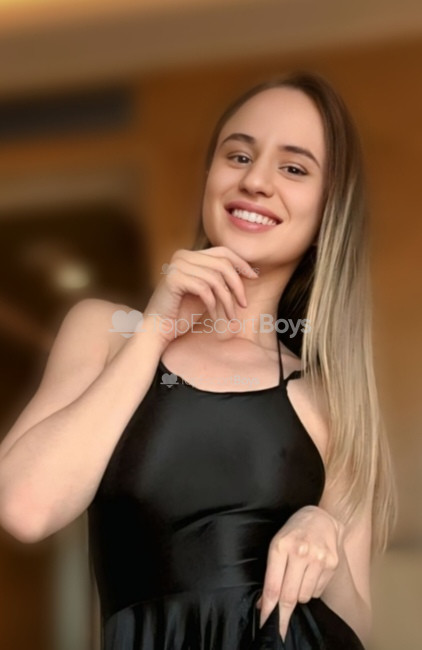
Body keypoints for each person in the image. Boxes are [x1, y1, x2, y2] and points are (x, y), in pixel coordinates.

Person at [0, 71, 397, 650]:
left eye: (293, 168)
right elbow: (24, 508)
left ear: (327, 213)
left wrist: (327, 531)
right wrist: (156, 330)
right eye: (239, 155)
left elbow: (353, 628)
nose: (255, 181)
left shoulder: (331, 398)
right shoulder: (107, 333)